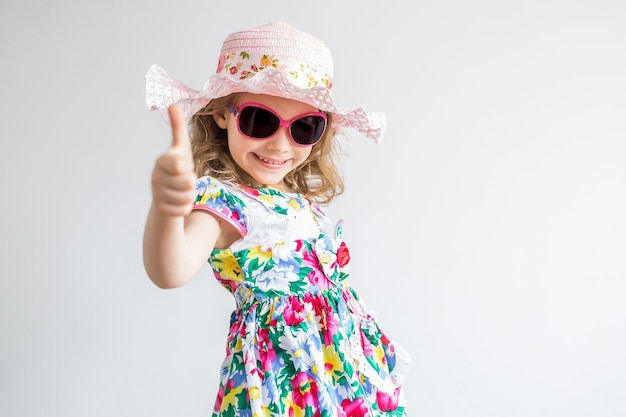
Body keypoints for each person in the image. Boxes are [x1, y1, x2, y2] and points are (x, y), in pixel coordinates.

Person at [143, 21, 410, 416]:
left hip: (343, 376)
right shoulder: (226, 203)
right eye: (259, 120)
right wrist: (165, 207)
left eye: (304, 127)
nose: (280, 144)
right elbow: (171, 270)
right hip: (284, 386)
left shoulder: (298, 202)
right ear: (222, 113)